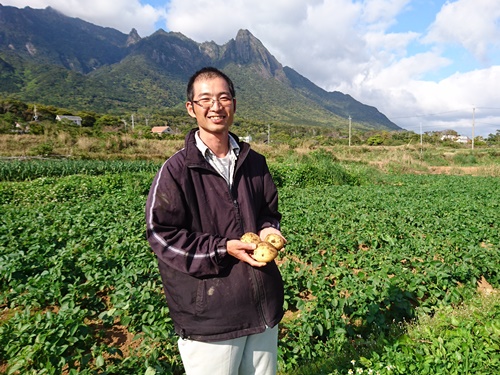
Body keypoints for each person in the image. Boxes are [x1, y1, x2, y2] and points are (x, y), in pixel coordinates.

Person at [145, 66, 285, 375]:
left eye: (224, 97)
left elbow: (269, 213)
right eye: (205, 99)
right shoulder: (177, 170)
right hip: (211, 316)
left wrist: (268, 231)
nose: (216, 106)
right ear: (191, 108)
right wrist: (222, 249)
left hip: (261, 305)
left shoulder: (255, 163)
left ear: (234, 104)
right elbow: (160, 234)